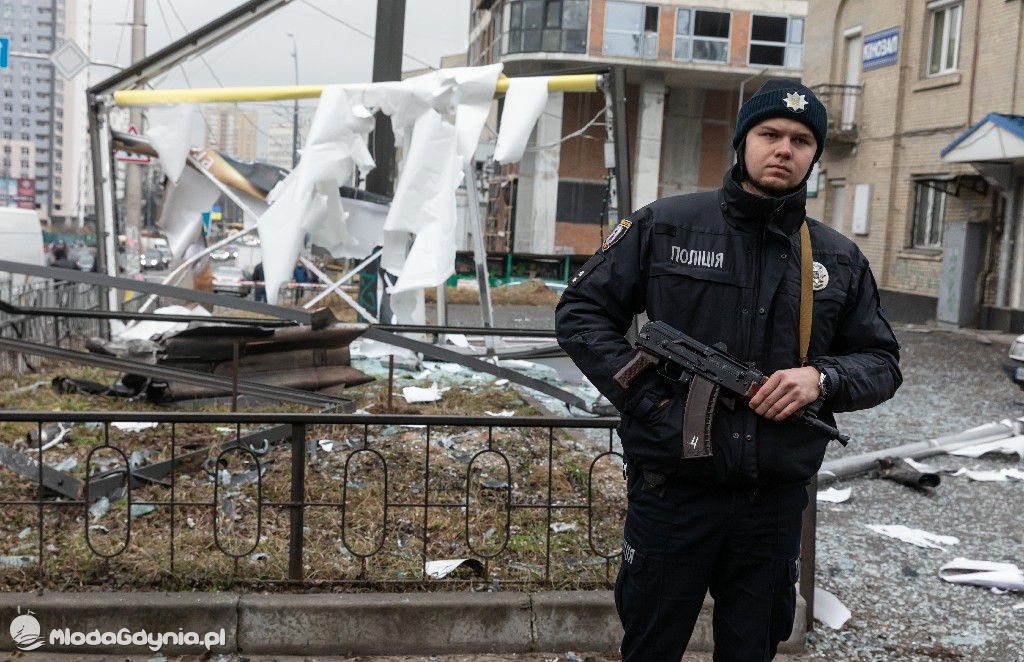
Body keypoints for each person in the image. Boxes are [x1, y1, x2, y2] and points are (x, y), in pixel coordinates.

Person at [555, 80, 902, 661]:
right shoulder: (667, 226)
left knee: (751, 649)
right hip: (673, 496)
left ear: (815, 155)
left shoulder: (838, 258)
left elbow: (882, 362)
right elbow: (581, 312)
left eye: (800, 139)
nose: (783, 149)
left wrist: (821, 378)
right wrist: (653, 404)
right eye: (769, 135)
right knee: (650, 645)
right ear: (742, 144)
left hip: (772, 506)